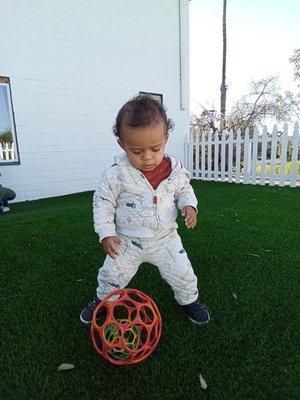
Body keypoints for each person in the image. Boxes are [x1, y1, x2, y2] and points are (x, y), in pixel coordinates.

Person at [80, 95, 210, 326]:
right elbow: (103, 203)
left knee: (183, 274)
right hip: (127, 242)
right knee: (112, 275)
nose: (148, 157)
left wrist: (189, 205)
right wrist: (106, 233)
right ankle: (103, 301)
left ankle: (190, 301)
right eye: (137, 151)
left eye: (155, 148)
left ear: (166, 138)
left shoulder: (174, 170)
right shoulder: (116, 174)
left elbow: (183, 190)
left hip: (166, 240)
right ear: (122, 145)